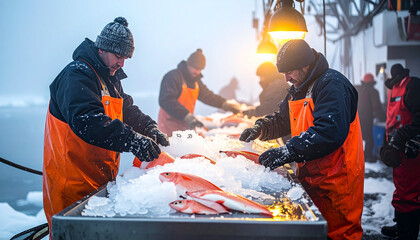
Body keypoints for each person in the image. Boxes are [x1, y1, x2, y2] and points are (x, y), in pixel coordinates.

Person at [43, 17, 169, 232]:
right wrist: (133, 141)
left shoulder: (109, 77)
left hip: (98, 180)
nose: (122, 63)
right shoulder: (76, 75)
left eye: (126, 57)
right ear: (102, 49)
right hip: (71, 185)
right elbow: (88, 122)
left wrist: (149, 128)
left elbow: (127, 110)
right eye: (118, 56)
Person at [240, 39, 364, 239]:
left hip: (337, 182)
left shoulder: (332, 84)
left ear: (306, 65)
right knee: (316, 233)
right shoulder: (300, 87)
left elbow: (329, 131)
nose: (287, 78)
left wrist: (288, 151)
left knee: (340, 233)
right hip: (313, 177)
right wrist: (260, 129)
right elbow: (283, 120)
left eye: (290, 71)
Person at [158, 49, 242, 136]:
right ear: (188, 64)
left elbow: (207, 96)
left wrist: (224, 104)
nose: (197, 72)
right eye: (195, 68)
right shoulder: (172, 77)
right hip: (168, 127)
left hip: (186, 126)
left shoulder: (196, 81)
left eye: (200, 69)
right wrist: (186, 115)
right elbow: (166, 100)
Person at [379, 63, 420, 240]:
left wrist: (402, 135)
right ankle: (401, 224)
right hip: (397, 147)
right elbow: (390, 120)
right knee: (400, 187)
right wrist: (385, 143)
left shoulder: (413, 86)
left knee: (410, 190)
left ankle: (408, 232)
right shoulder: (393, 88)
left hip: (410, 147)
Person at [355, 73, 386, 162]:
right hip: (367, 118)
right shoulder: (373, 91)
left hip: (357, 118)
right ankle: (367, 156)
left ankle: (359, 156)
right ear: (372, 82)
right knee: (369, 139)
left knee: (359, 138)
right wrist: (384, 118)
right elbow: (377, 107)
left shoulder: (358, 89)